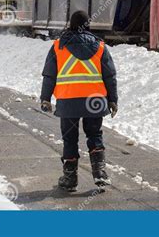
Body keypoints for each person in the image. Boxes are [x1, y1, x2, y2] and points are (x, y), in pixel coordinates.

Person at [40, 10, 118, 191]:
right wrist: (112, 100)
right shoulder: (99, 46)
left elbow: (49, 75)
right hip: (95, 102)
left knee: (70, 139)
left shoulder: (59, 46)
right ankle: (99, 174)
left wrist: (45, 98)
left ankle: (70, 179)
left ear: (70, 25)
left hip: (68, 101)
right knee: (95, 135)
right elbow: (110, 75)